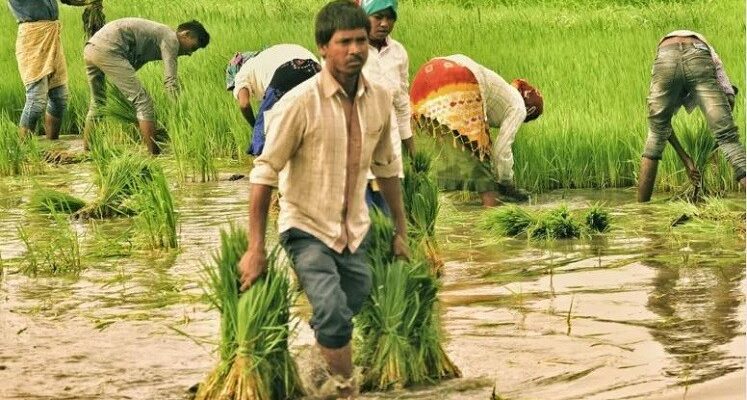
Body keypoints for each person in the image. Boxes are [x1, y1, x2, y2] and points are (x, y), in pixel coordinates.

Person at [238, 1, 410, 398]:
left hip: (354, 227)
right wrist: (255, 248)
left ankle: (317, 361)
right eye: (344, 42)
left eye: (360, 41)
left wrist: (400, 231)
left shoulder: (379, 100)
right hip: (305, 226)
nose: (354, 50)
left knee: (359, 294)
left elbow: (387, 170)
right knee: (332, 311)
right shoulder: (297, 104)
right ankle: (346, 389)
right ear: (322, 48)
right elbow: (263, 174)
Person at [410, 54, 544, 207]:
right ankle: (490, 212)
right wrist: (506, 183)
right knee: (481, 157)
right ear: (529, 111)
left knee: (432, 149)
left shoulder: (503, 91)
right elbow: (501, 150)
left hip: (427, 74)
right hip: (460, 75)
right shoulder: (519, 106)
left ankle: (422, 205)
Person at [637, 30, 746, 202]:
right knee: (729, 139)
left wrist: (690, 158)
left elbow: (662, 126)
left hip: (665, 55)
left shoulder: (669, 81)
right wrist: (718, 143)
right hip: (698, 53)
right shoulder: (714, 58)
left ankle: (641, 212)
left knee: (655, 135)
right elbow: (730, 96)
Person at [82, 17, 210, 155]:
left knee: (98, 103)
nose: (190, 53)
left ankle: (88, 153)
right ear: (185, 34)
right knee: (144, 102)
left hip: (91, 48)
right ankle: (154, 155)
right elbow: (170, 81)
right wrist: (179, 112)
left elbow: (132, 66)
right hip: (109, 49)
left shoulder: (155, 37)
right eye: (193, 47)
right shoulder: (171, 39)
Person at [359, 0, 415, 214]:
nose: (384, 23)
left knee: (387, 219)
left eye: (390, 17)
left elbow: (402, 105)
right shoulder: (352, 49)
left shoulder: (398, 52)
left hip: (389, 153)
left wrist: (413, 154)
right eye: (378, 17)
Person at [9, 0, 89, 140]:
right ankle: (22, 151)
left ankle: (53, 143)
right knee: (36, 100)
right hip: (33, 37)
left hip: (52, 34)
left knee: (60, 97)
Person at [227, 44, 320, 155]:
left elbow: (244, 104)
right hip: (316, 69)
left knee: (260, 141)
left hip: (285, 73)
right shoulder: (267, 55)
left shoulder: (242, 72)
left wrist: (256, 126)